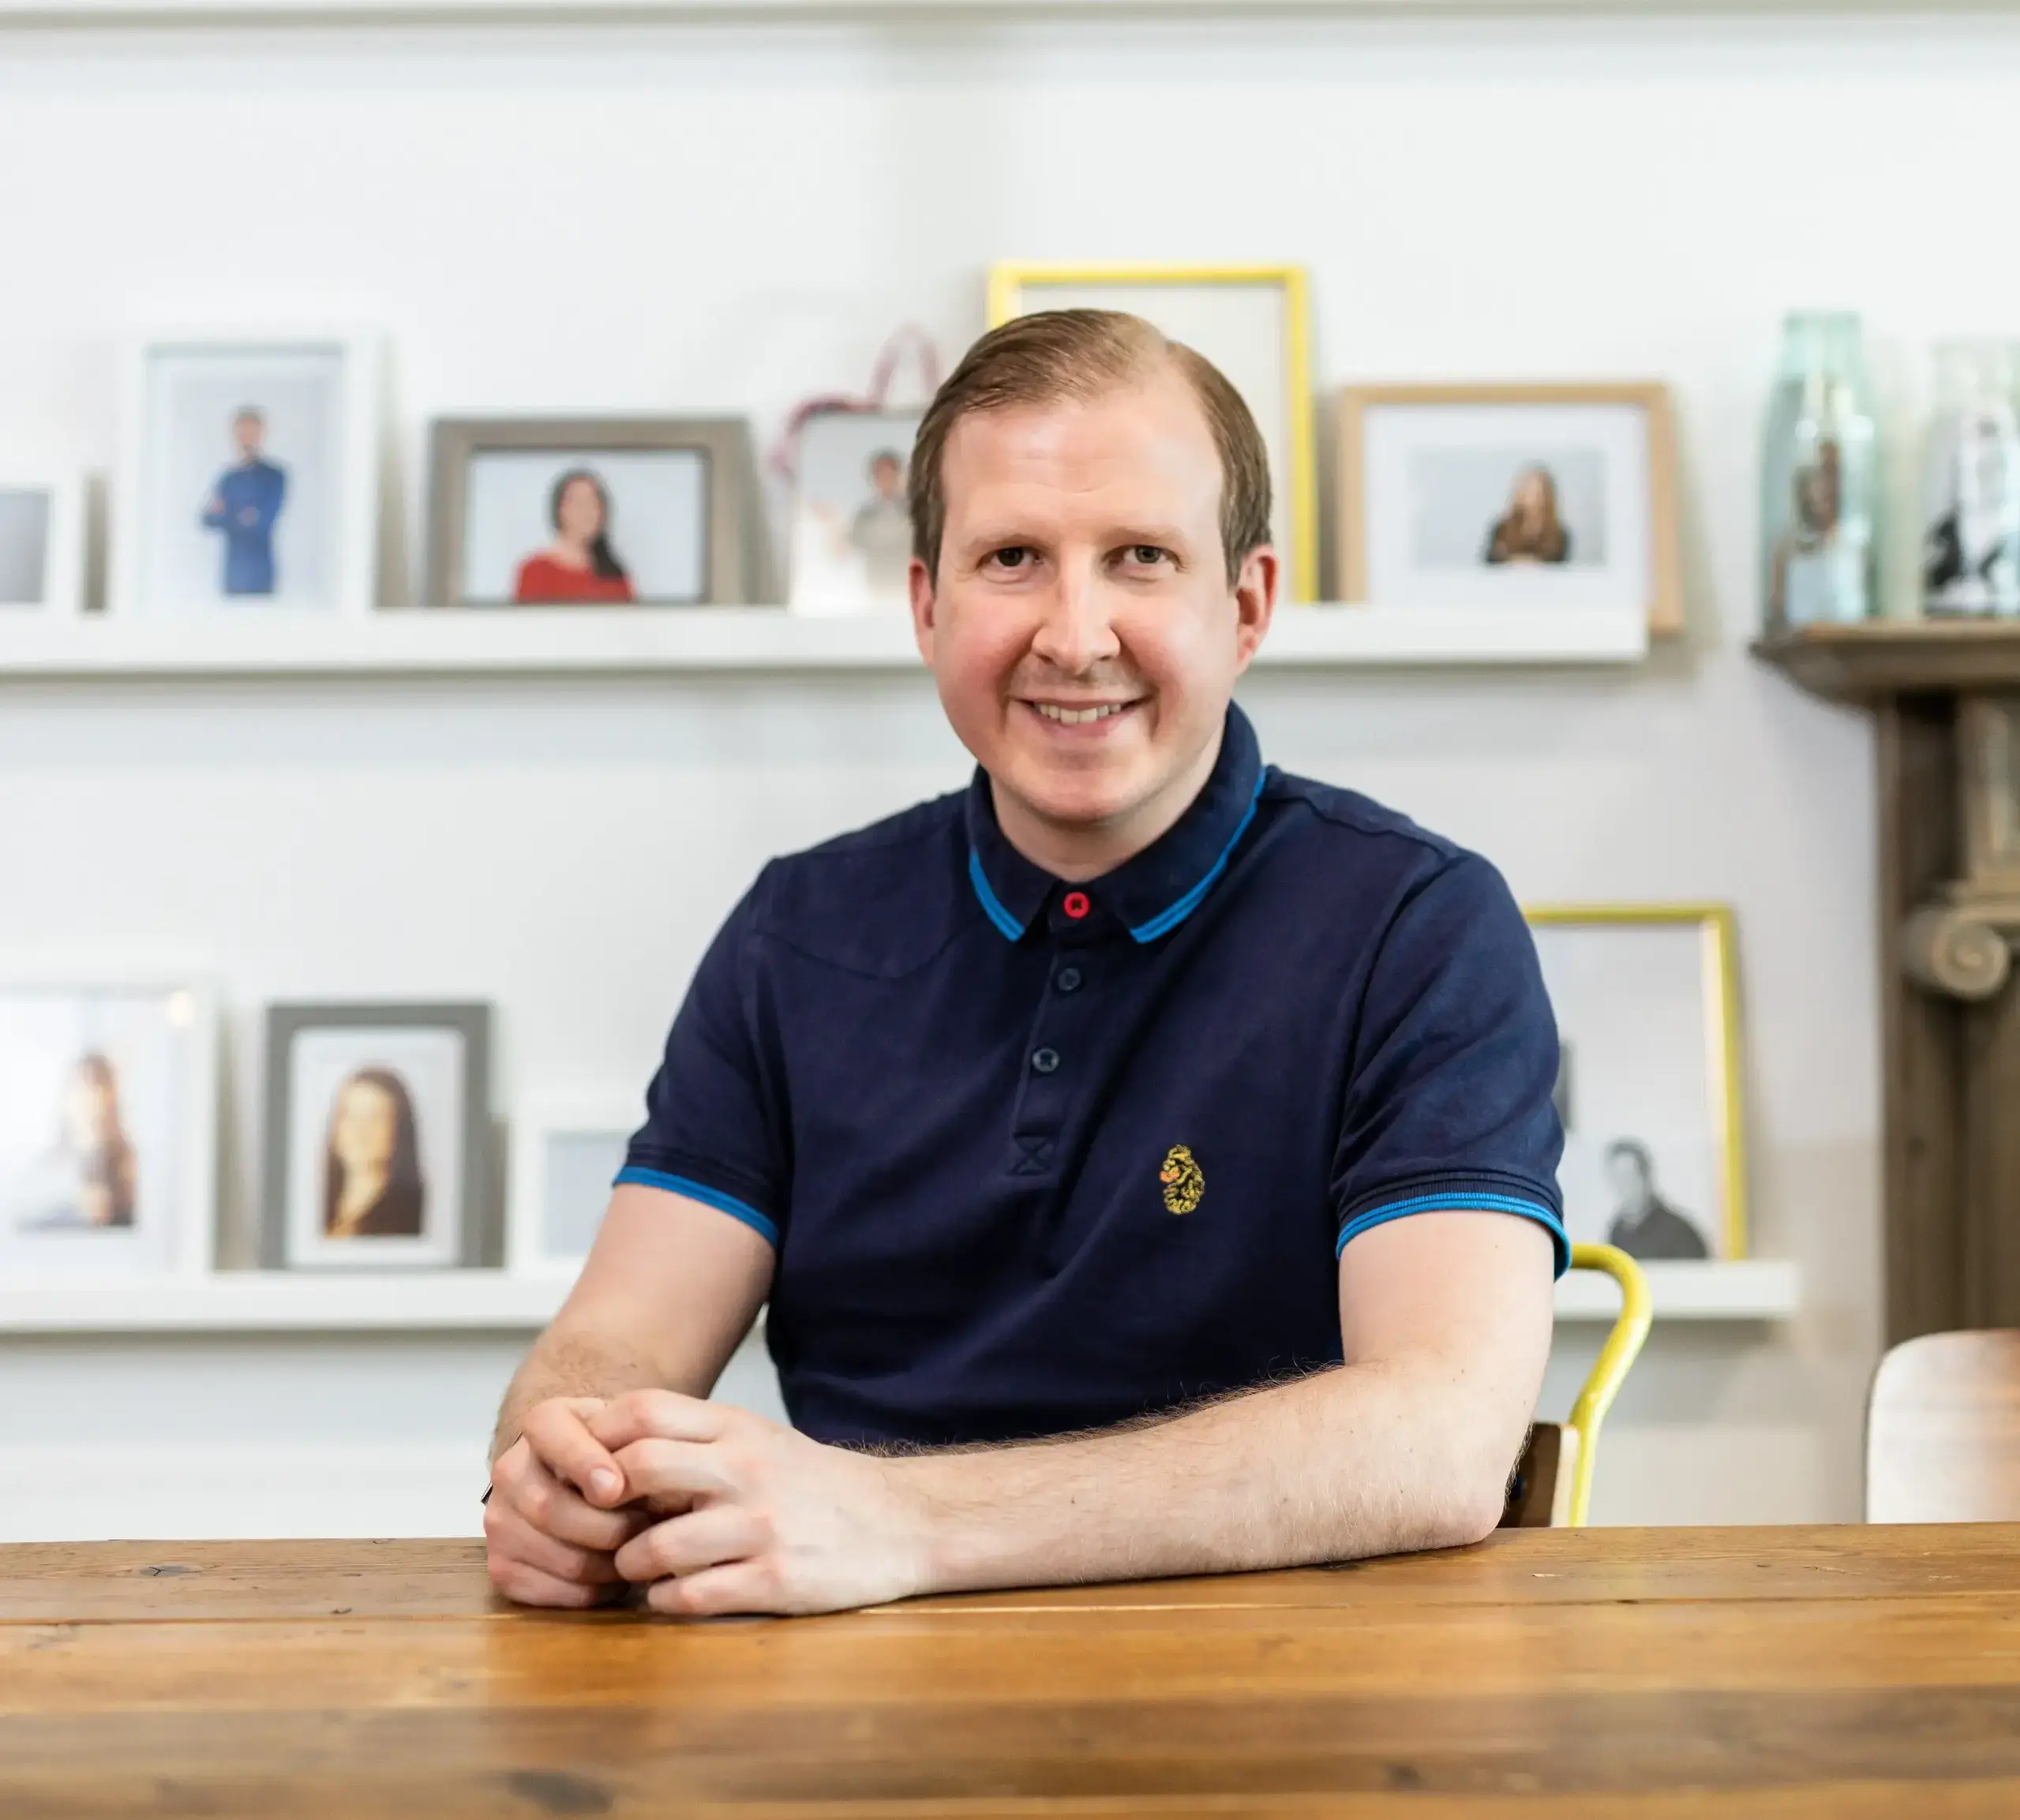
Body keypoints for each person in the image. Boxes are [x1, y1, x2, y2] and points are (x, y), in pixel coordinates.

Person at [485, 309, 1565, 1619]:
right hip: (846, 1696)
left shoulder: (1419, 928)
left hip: (1300, 1701)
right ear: (926, 606)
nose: (1073, 632)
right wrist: (560, 1467)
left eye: (1138, 559)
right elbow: (616, 1339)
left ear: (1244, 606)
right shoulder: (795, 934)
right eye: (1011, 558)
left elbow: (1437, 1442)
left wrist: (902, 1524)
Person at [5, 1052, 137, 1232]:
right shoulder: (45, 1169)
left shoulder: (129, 1166)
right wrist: (76, 1210)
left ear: (109, 1098)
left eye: (94, 1087)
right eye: (77, 1088)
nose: (86, 1098)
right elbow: (19, 1224)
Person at [322, 1067, 425, 1240]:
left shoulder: (411, 1217)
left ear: (399, 1130)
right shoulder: (313, 1207)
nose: (360, 1131)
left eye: (375, 1118)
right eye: (349, 1116)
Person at [513, 470, 637, 605]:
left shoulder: (615, 575)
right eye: (577, 503)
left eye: (593, 503)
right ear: (559, 510)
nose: (586, 512)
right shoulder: (535, 571)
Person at [200, 408, 287, 597]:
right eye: (242, 433)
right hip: (232, 575)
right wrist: (242, 515)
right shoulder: (229, 478)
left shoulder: (274, 476)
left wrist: (226, 514)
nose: (246, 439)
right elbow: (207, 520)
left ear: (261, 435)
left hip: (260, 574)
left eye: (251, 433)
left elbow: (261, 524)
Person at [1601, 1139, 1707, 1262]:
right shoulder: (1617, 1232)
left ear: (1645, 1178)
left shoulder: (1679, 1232)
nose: (1624, 1188)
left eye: (1629, 1178)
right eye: (1618, 1179)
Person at [849, 449, 915, 606]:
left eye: (890, 475)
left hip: (905, 589)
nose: (886, 481)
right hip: (876, 588)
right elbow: (852, 544)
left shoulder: (913, 513)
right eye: (881, 476)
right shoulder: (865, 516)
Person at [1482, 464, 1571, 565]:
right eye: (1526, 488)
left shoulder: (1559, 534)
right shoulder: (1502, 528)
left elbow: (1560, 566)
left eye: (1535, 489)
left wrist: (1533, 564)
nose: (1529, 494)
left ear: (1545, 493)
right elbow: (1489, 563)